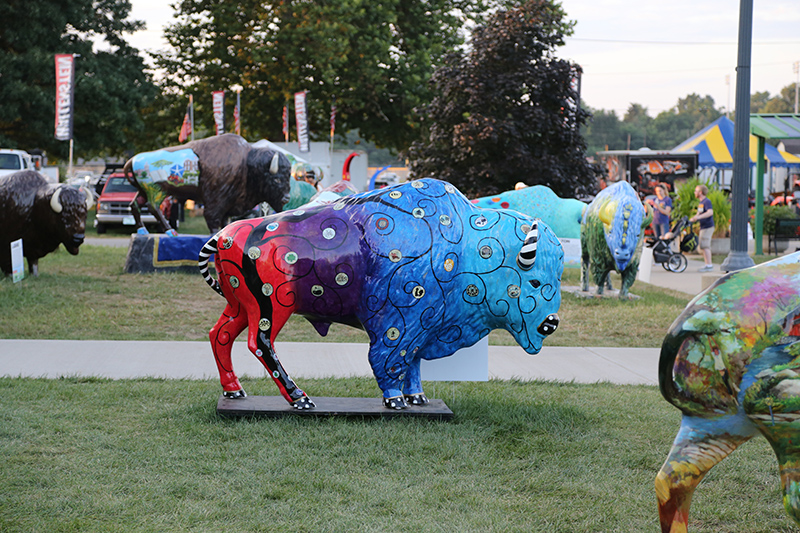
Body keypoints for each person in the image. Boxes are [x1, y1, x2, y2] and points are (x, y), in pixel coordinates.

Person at [690, 184, 714, 272]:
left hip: (708, 226)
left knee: (705, 245)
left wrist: (699, 217)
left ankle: (709, 265)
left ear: (700, 192)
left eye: (696, 191)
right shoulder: (701, 203)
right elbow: (699, 213)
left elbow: (710, 212)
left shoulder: (707, 202)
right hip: (703, 226)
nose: (694, 192)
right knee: (703, 245)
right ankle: (707, 264)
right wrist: (694, 218)